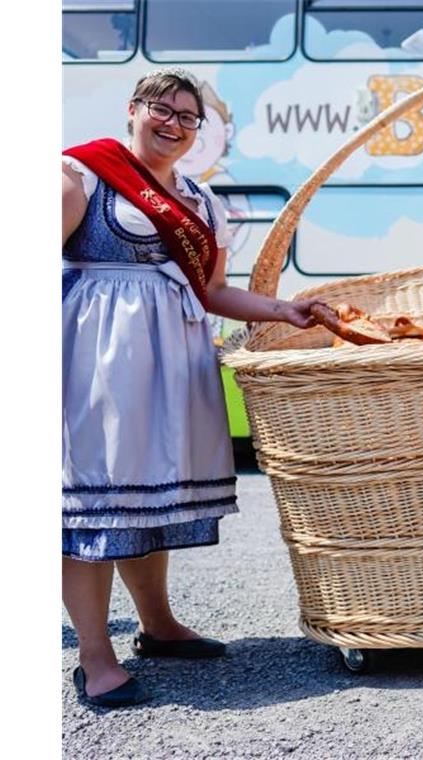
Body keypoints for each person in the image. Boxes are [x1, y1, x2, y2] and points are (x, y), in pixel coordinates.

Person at [62, 68, 319, 708]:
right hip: (94, 359)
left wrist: (280, 310)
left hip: (171, 359)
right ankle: (95, 658)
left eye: (187, 116)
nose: (174, 124)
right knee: (90, 501)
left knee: (143, 500)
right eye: (162, 110)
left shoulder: (201, 201)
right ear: (134, 109)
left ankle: (159, 626)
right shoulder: (80, 176)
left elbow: (211, 291)